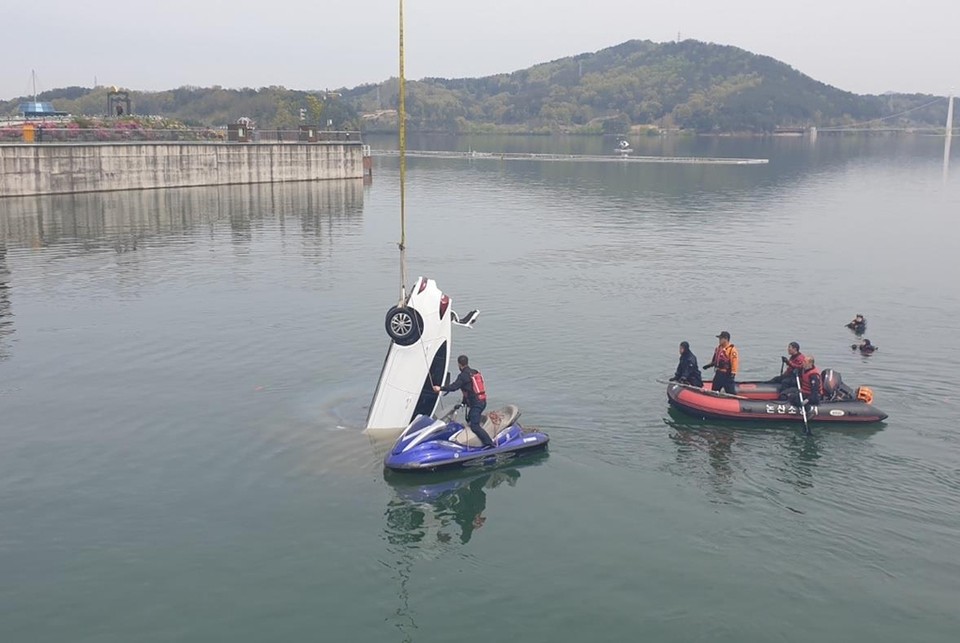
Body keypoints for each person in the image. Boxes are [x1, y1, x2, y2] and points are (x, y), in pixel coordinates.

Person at [433, 354, 495, 448]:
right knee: (469, 419)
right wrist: (463, 402)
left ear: (459, 365)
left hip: (477, 404)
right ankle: (474, 439)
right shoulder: (474, 372)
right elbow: (469, 389)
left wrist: (440, 388)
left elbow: (453, 387)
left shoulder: (463, 376)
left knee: (474, 426)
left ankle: (490, 444)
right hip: (481, 401)